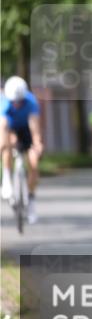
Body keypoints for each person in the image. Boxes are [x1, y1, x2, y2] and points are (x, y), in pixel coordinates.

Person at [1, 76, 44, 223]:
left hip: (26, 130)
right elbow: (3, 125)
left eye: (19, 101)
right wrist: (4, 143)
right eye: (14, 101)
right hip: (11, 129)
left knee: (34, 163)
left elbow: (34, 126)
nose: (16, 104)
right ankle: (6, 179)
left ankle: (31, 199)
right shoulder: (4, 102)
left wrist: (37, 143)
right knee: (5, 145)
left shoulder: (31, 102)